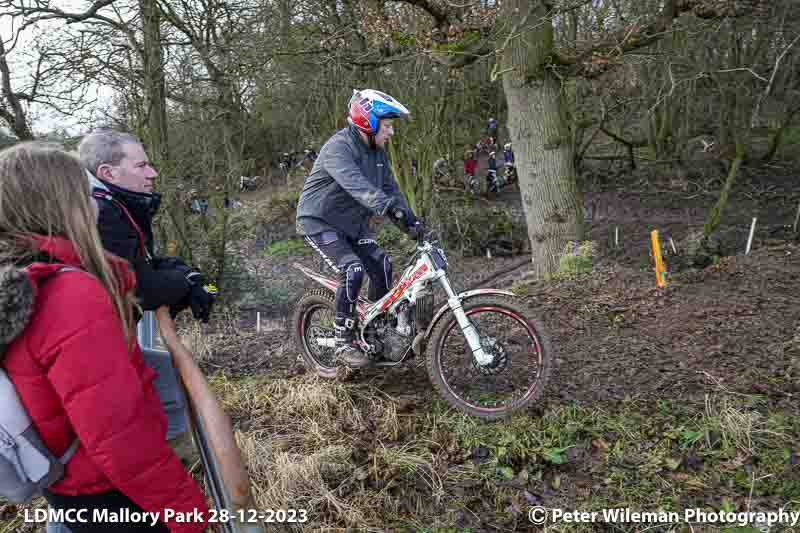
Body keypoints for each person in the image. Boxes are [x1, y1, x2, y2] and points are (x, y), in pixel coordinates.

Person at [0, 142, 209, 533]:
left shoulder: (20, 276)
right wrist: (185, 513)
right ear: (63, 204)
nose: (98, 200)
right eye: (87, 190)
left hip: (65, 479)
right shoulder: (69, 295)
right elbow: (119, 433)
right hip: (108, 490)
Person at [79, 130, 214, 473]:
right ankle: (173, 466)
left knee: (165, 376)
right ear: (109, 173)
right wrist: (185, 282)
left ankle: (179, 459)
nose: (152, 173)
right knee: (86, 471)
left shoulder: (111, 202)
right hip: (94, 354)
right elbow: (135, 284)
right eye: (141, 165)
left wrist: (186, 275)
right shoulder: (100, 212)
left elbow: (143, 262)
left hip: (106, 341)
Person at [295, 89, 422, 368]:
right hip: (319, 221)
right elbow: (356, 185)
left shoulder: (378, 155)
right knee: (352, 269)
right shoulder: (338, 147)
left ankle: (376, 331)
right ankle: (342, 341)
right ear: (368, 121)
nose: (391, 133)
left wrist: (411, 224)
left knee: (384, 266)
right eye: (387, 126)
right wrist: (386, 207)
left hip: (352, 225)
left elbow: (392, 192)